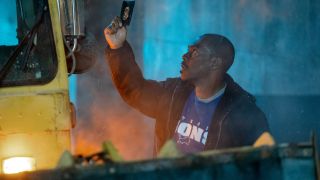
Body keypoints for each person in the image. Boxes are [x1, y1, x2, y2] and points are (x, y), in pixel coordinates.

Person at [104, 17, 274, 154]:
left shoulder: (244, 113)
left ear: (215, 63)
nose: (185, 55)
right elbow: (136, 90)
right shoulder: (173, 93)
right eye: (188, 50)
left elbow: (260, 166)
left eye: (195, 52)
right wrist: (117, 47)